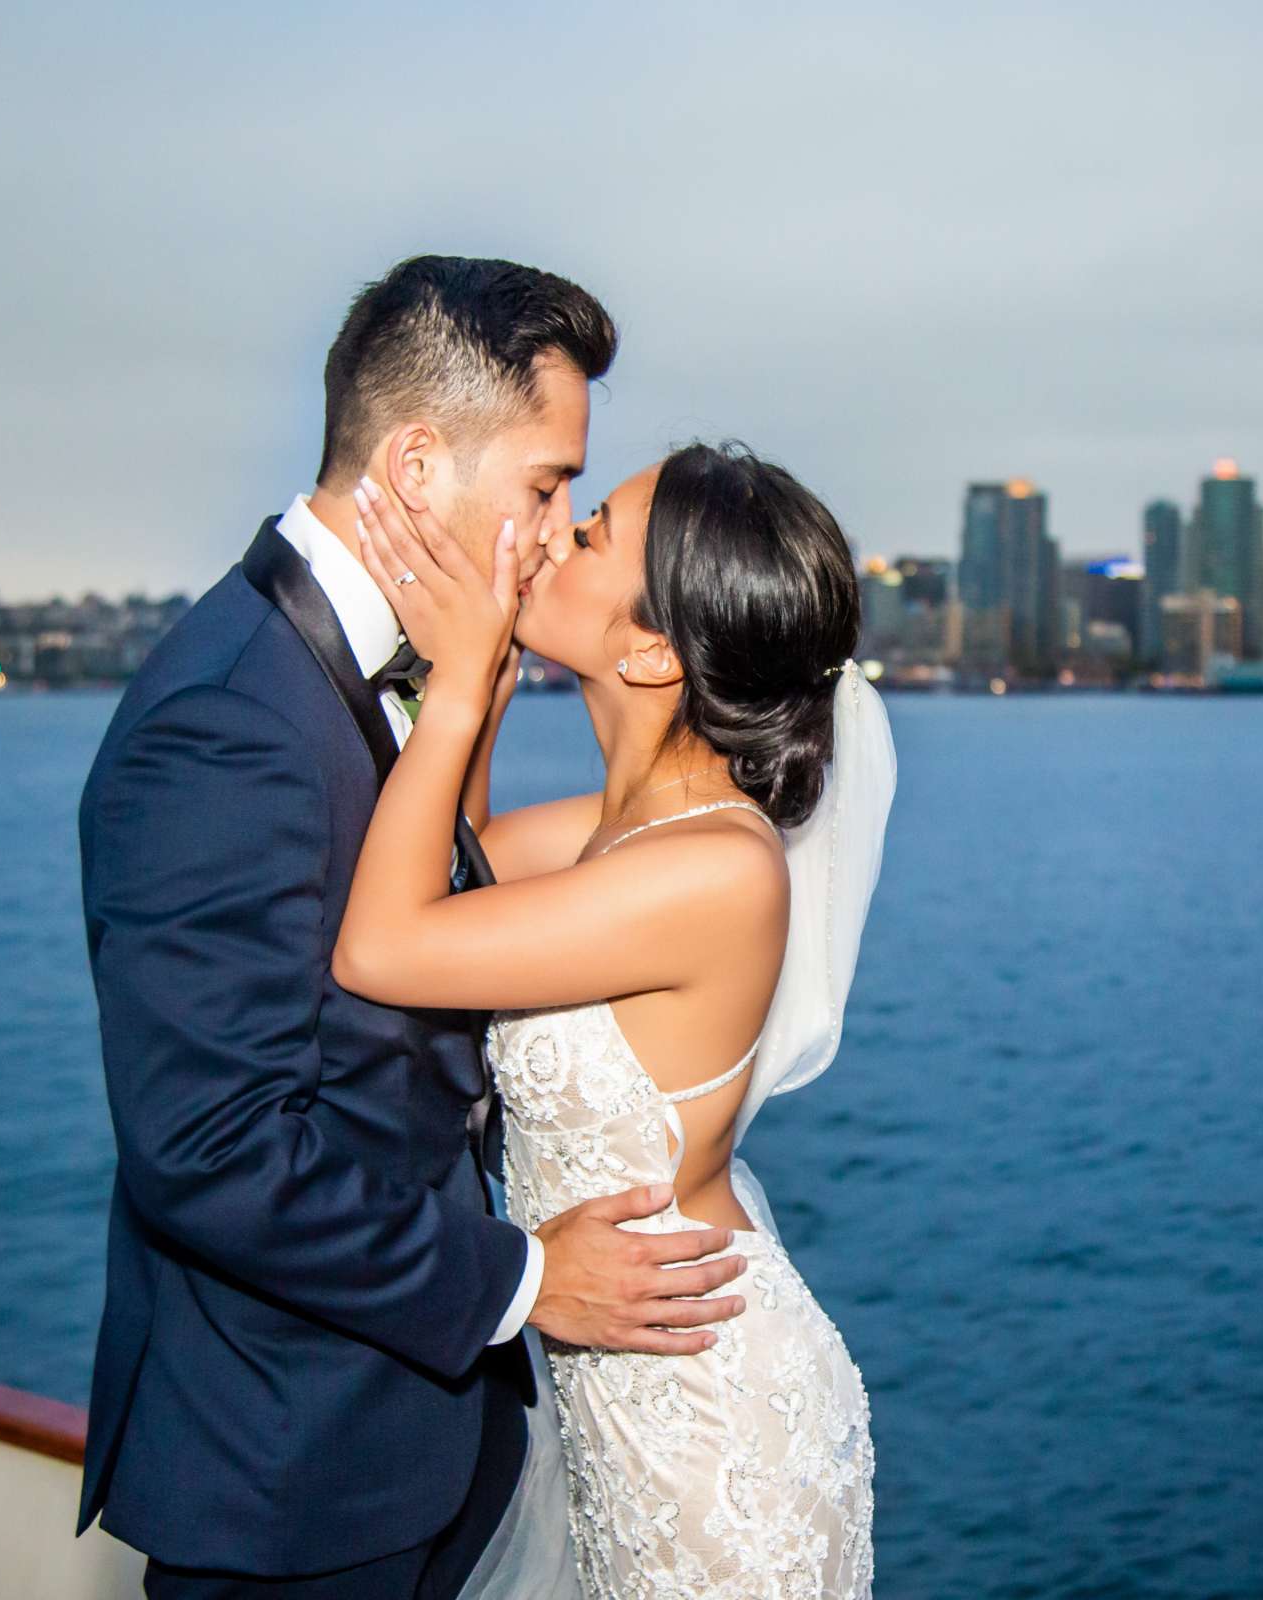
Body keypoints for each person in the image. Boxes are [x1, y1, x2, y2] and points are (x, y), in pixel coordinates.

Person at [75, 256, 754, 1600]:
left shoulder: (423, 672)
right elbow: (206, 1151)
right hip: (291, 1477)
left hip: (437, 1440)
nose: (558, 530)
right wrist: (518, 1283)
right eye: (547, 485)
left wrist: (467, 702)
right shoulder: (224, 718)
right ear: (419, 466)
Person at [333, 435, 893, 1599]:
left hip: (712, 1435)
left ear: (649, 646)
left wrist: (460, 672)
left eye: (588, 534)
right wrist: (466, 682)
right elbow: (449, 872)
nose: (549, 532)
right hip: (618, 1408)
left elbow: (381, 946)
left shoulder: (720, 868)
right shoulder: (624, 832)